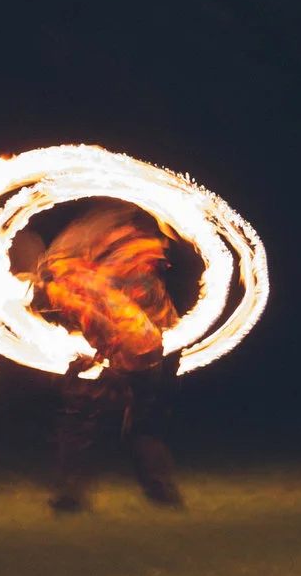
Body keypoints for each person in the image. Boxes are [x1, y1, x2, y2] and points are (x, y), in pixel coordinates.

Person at [25, 203, 187, 512]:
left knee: (113, 421)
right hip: (142, 345)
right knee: (95, 420)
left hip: (145, 350)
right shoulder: (96, 274)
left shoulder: (83, 287)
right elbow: (107, 326)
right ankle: (154, 492)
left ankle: (77, 495)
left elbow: (118, 328)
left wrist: (102, 359)